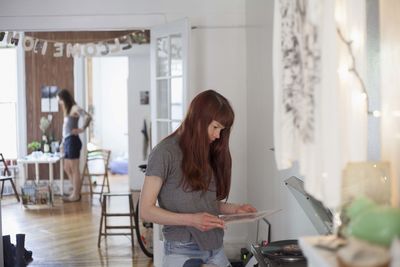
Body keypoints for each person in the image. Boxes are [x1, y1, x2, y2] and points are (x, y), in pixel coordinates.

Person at [140, 90, 257, 267]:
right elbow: (146, 210)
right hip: (182, 251)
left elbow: (203, 204)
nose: (218, 135)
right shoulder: (164, 153)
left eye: (222, 130)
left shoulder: (206, 150)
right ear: (199, 119)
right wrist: (192, 220)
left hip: (216, 249)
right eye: (215, 127)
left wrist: (235, 209)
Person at [57, 89, 92, 202]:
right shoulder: (68, 110)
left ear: (64, 99)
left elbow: (88, 116)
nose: (60, 103)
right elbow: (66, 129)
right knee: (67, 167)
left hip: (73, 141)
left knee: (75, 168)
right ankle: (76, 191)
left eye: (60, 100)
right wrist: (63, 143)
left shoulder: (74, 108)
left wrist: (82, 129)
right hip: (67, 141)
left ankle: (76, 195)